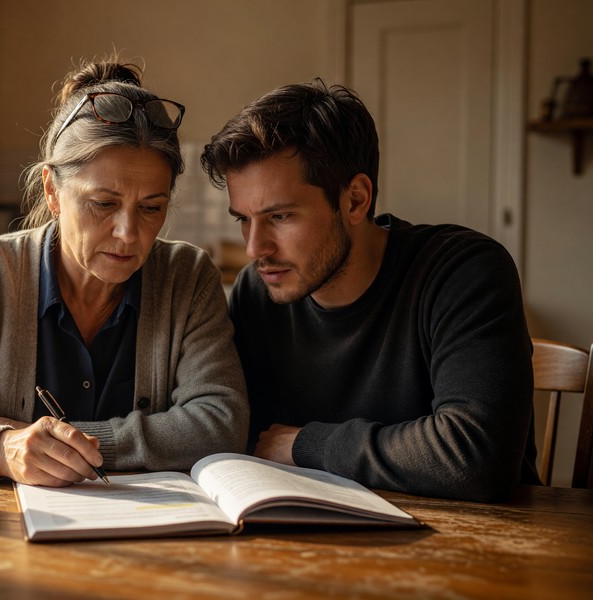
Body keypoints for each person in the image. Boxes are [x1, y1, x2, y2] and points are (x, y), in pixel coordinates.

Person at [0, 57, 248, 487]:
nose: (128, 234)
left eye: (151, 208)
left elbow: (222, 423)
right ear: (52, 190)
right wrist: (0, 448)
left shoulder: (187, 275)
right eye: (103, 203)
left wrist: (70, 443)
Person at [199, 79, 539, 502]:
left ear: (356, 200)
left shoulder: (462, 272)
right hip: (312, 542)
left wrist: (307, 444)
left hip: (478, 545)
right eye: (243, 220)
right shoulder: (259, 290)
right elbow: (245, 437)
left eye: (281, 216)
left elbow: (476, 456)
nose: (255, 248)